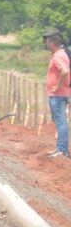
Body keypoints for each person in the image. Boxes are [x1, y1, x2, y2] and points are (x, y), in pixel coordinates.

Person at [44, 30, 70, 158]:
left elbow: (65, 71)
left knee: (61, 122)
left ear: (52, 42)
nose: (46, 44)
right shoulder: (63, 53)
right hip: (62, 93)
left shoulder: (58, 56)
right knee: (61, 121)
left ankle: (61, 150)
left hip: (58, 95)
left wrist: (57, 87)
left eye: (47, 41)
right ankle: (61, 149)